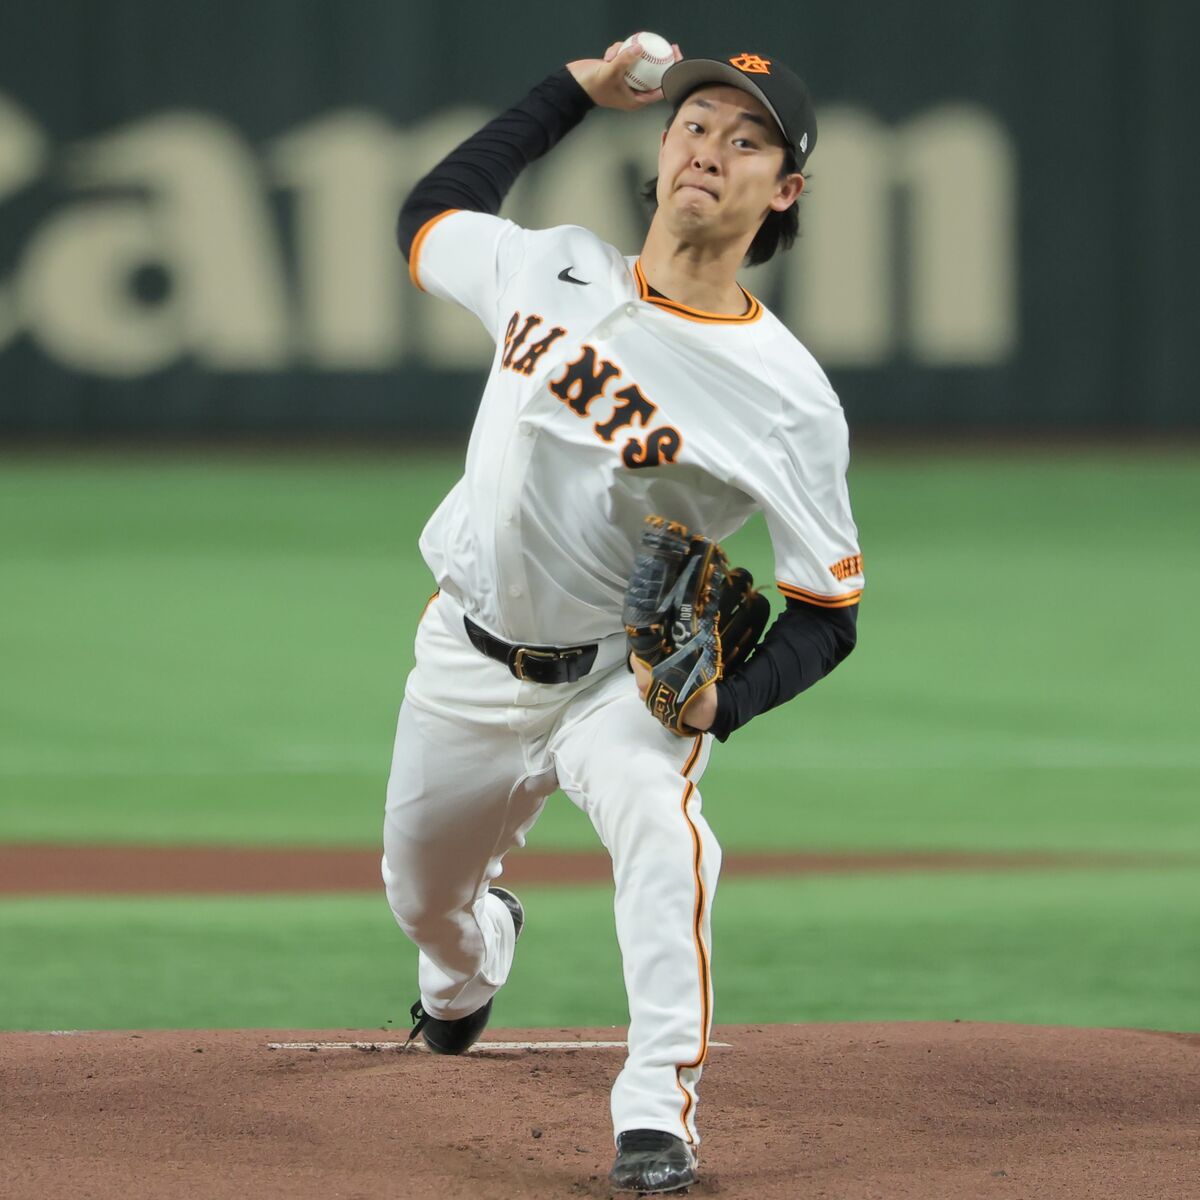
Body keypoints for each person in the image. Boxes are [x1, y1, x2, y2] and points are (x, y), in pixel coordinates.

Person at [384, 37, 864, 1194]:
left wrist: (722, 701)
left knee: (663, 823)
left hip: (618, 680)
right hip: (465, 658)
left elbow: (828, 607)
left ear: (784, 190)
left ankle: (656, 1112)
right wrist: (567, 94)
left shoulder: (788, 397)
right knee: (423, 900)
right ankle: (470, 965)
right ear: (661, 149)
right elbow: (429, 215)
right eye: (695, 124)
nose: (711, 150)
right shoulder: (547, 263)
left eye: (746, 141)